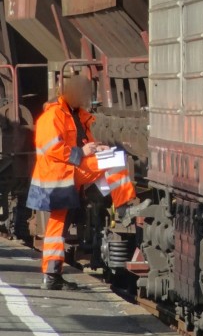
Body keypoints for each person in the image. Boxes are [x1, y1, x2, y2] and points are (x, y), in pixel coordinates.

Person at [27, 73, 138, 291]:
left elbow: (81, 142)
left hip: (68, 173)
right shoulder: (52, 117)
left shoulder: (75, 115)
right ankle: (121, 206)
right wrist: (83, 151)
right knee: (115, 162)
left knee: (58, 226)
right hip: (59, 175)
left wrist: (96, 148)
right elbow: (52, 149)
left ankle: (51, 275)